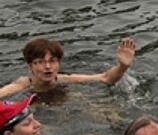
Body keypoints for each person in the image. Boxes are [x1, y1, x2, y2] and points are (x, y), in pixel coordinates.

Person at [0, 37, 136, 100]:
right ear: (30, 66)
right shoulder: (23, 84)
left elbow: (105, 78)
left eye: (52, 61)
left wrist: (123, 66)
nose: (47, 67)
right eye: (40, 62)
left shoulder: (64, 80)